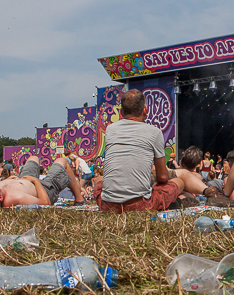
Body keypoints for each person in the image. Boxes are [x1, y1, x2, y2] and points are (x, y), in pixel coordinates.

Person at [95, 90, 224, 213]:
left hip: (107, 205)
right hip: (139, 205)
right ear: (145, 110)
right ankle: (204, 192)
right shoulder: (154, 132)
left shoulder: (110, 129)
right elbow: (162, 178)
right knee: (179, 181)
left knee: (99, 181)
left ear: (121, 112)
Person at [0, 155, 86, 207]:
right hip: (43, 189)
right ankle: (79, 199)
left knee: (33, 158)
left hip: (24, 179)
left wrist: (9, 179)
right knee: (62, 161)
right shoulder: (15, 198)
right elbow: (45, 202)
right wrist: (36, 181)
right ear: (0, 197)